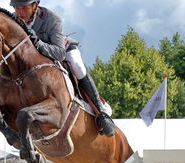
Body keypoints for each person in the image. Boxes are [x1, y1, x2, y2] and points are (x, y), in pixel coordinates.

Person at [9, 0, 115, 137]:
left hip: (62, 51)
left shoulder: (51, 19)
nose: (20, 13)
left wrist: (38, 44)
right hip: (34, 64)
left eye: (24, 8)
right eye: (17, 8)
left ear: (35, 6)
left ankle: (102, 113)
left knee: (78, 66)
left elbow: (59, 53)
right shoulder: (13, 20)